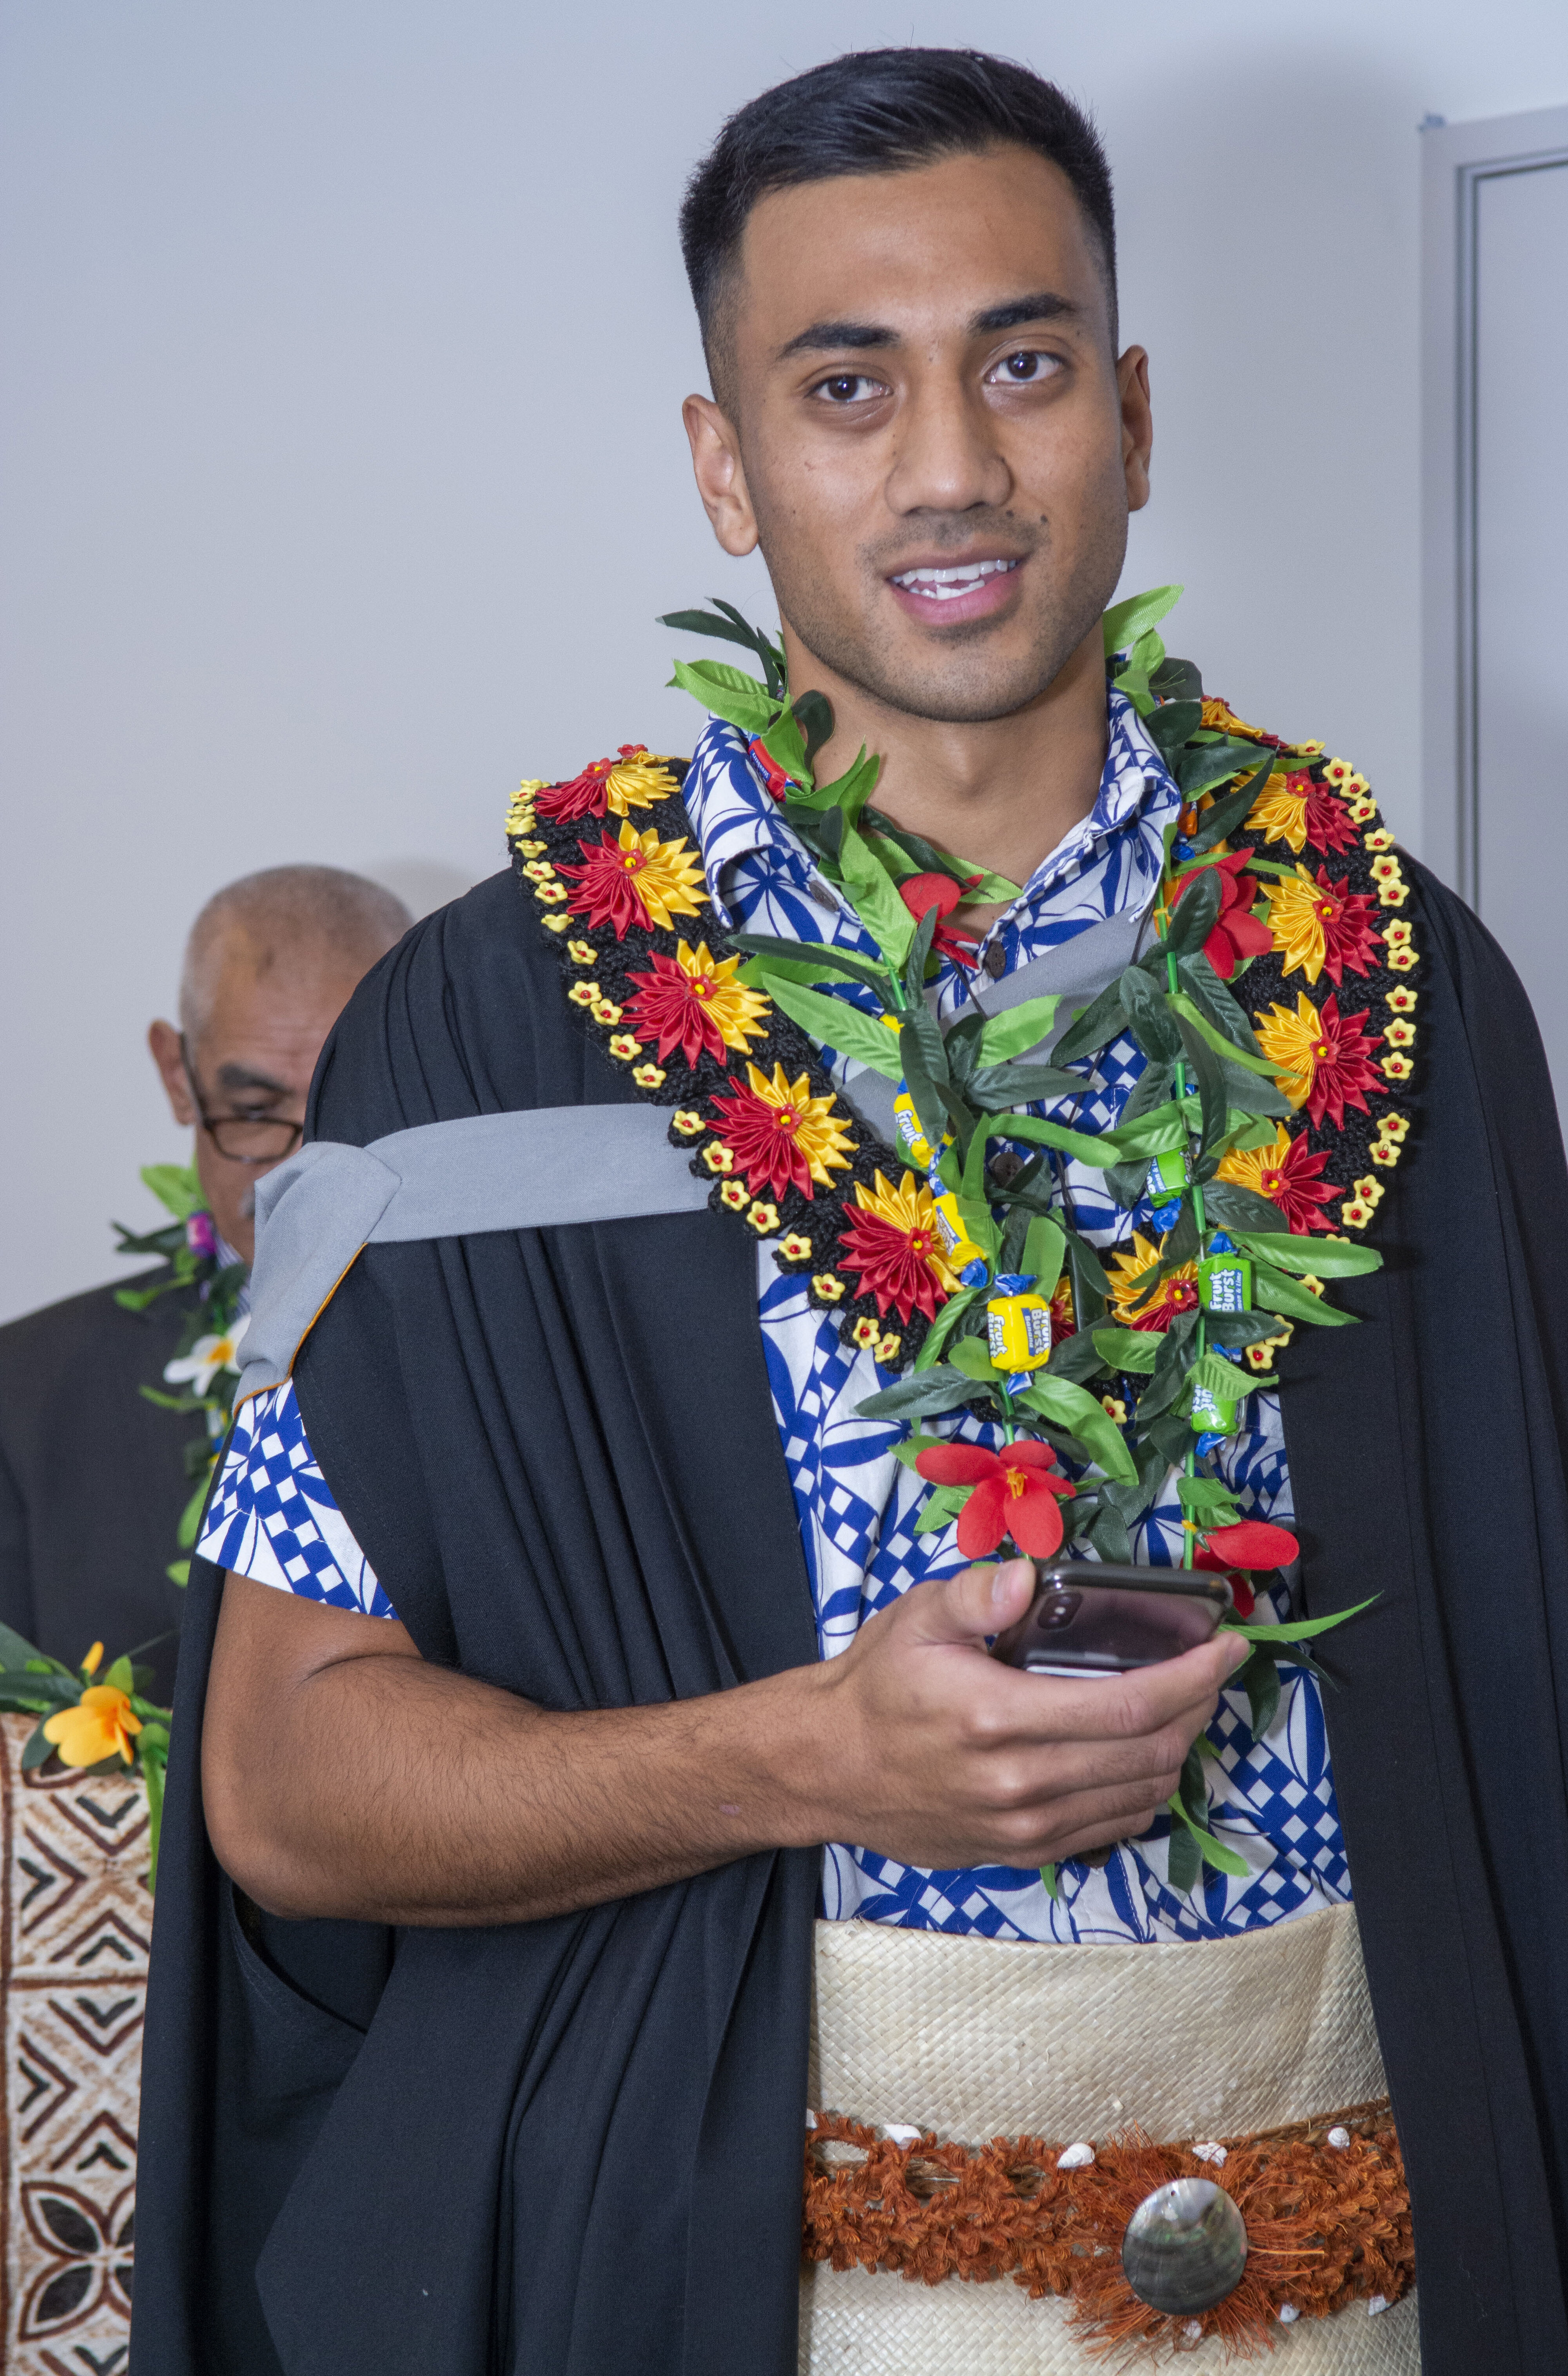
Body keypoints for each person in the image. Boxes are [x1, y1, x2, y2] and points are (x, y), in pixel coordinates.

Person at [134, 48, 1568, 2376]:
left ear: (1125, 408)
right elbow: (290, 1787)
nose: (947, 468)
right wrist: (803, 1751)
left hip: (1366, 2270)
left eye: (1018, 364)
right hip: (753, 2269)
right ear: (724, 462)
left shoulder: (1392, 993)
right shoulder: (486, 1034)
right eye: (841, 383)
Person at [0, 866, 410, 1699]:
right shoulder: (23, 1393)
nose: (301, 1176)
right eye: (256, 1113)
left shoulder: (528, 1358)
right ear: (178, 1075)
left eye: (350, 1108)